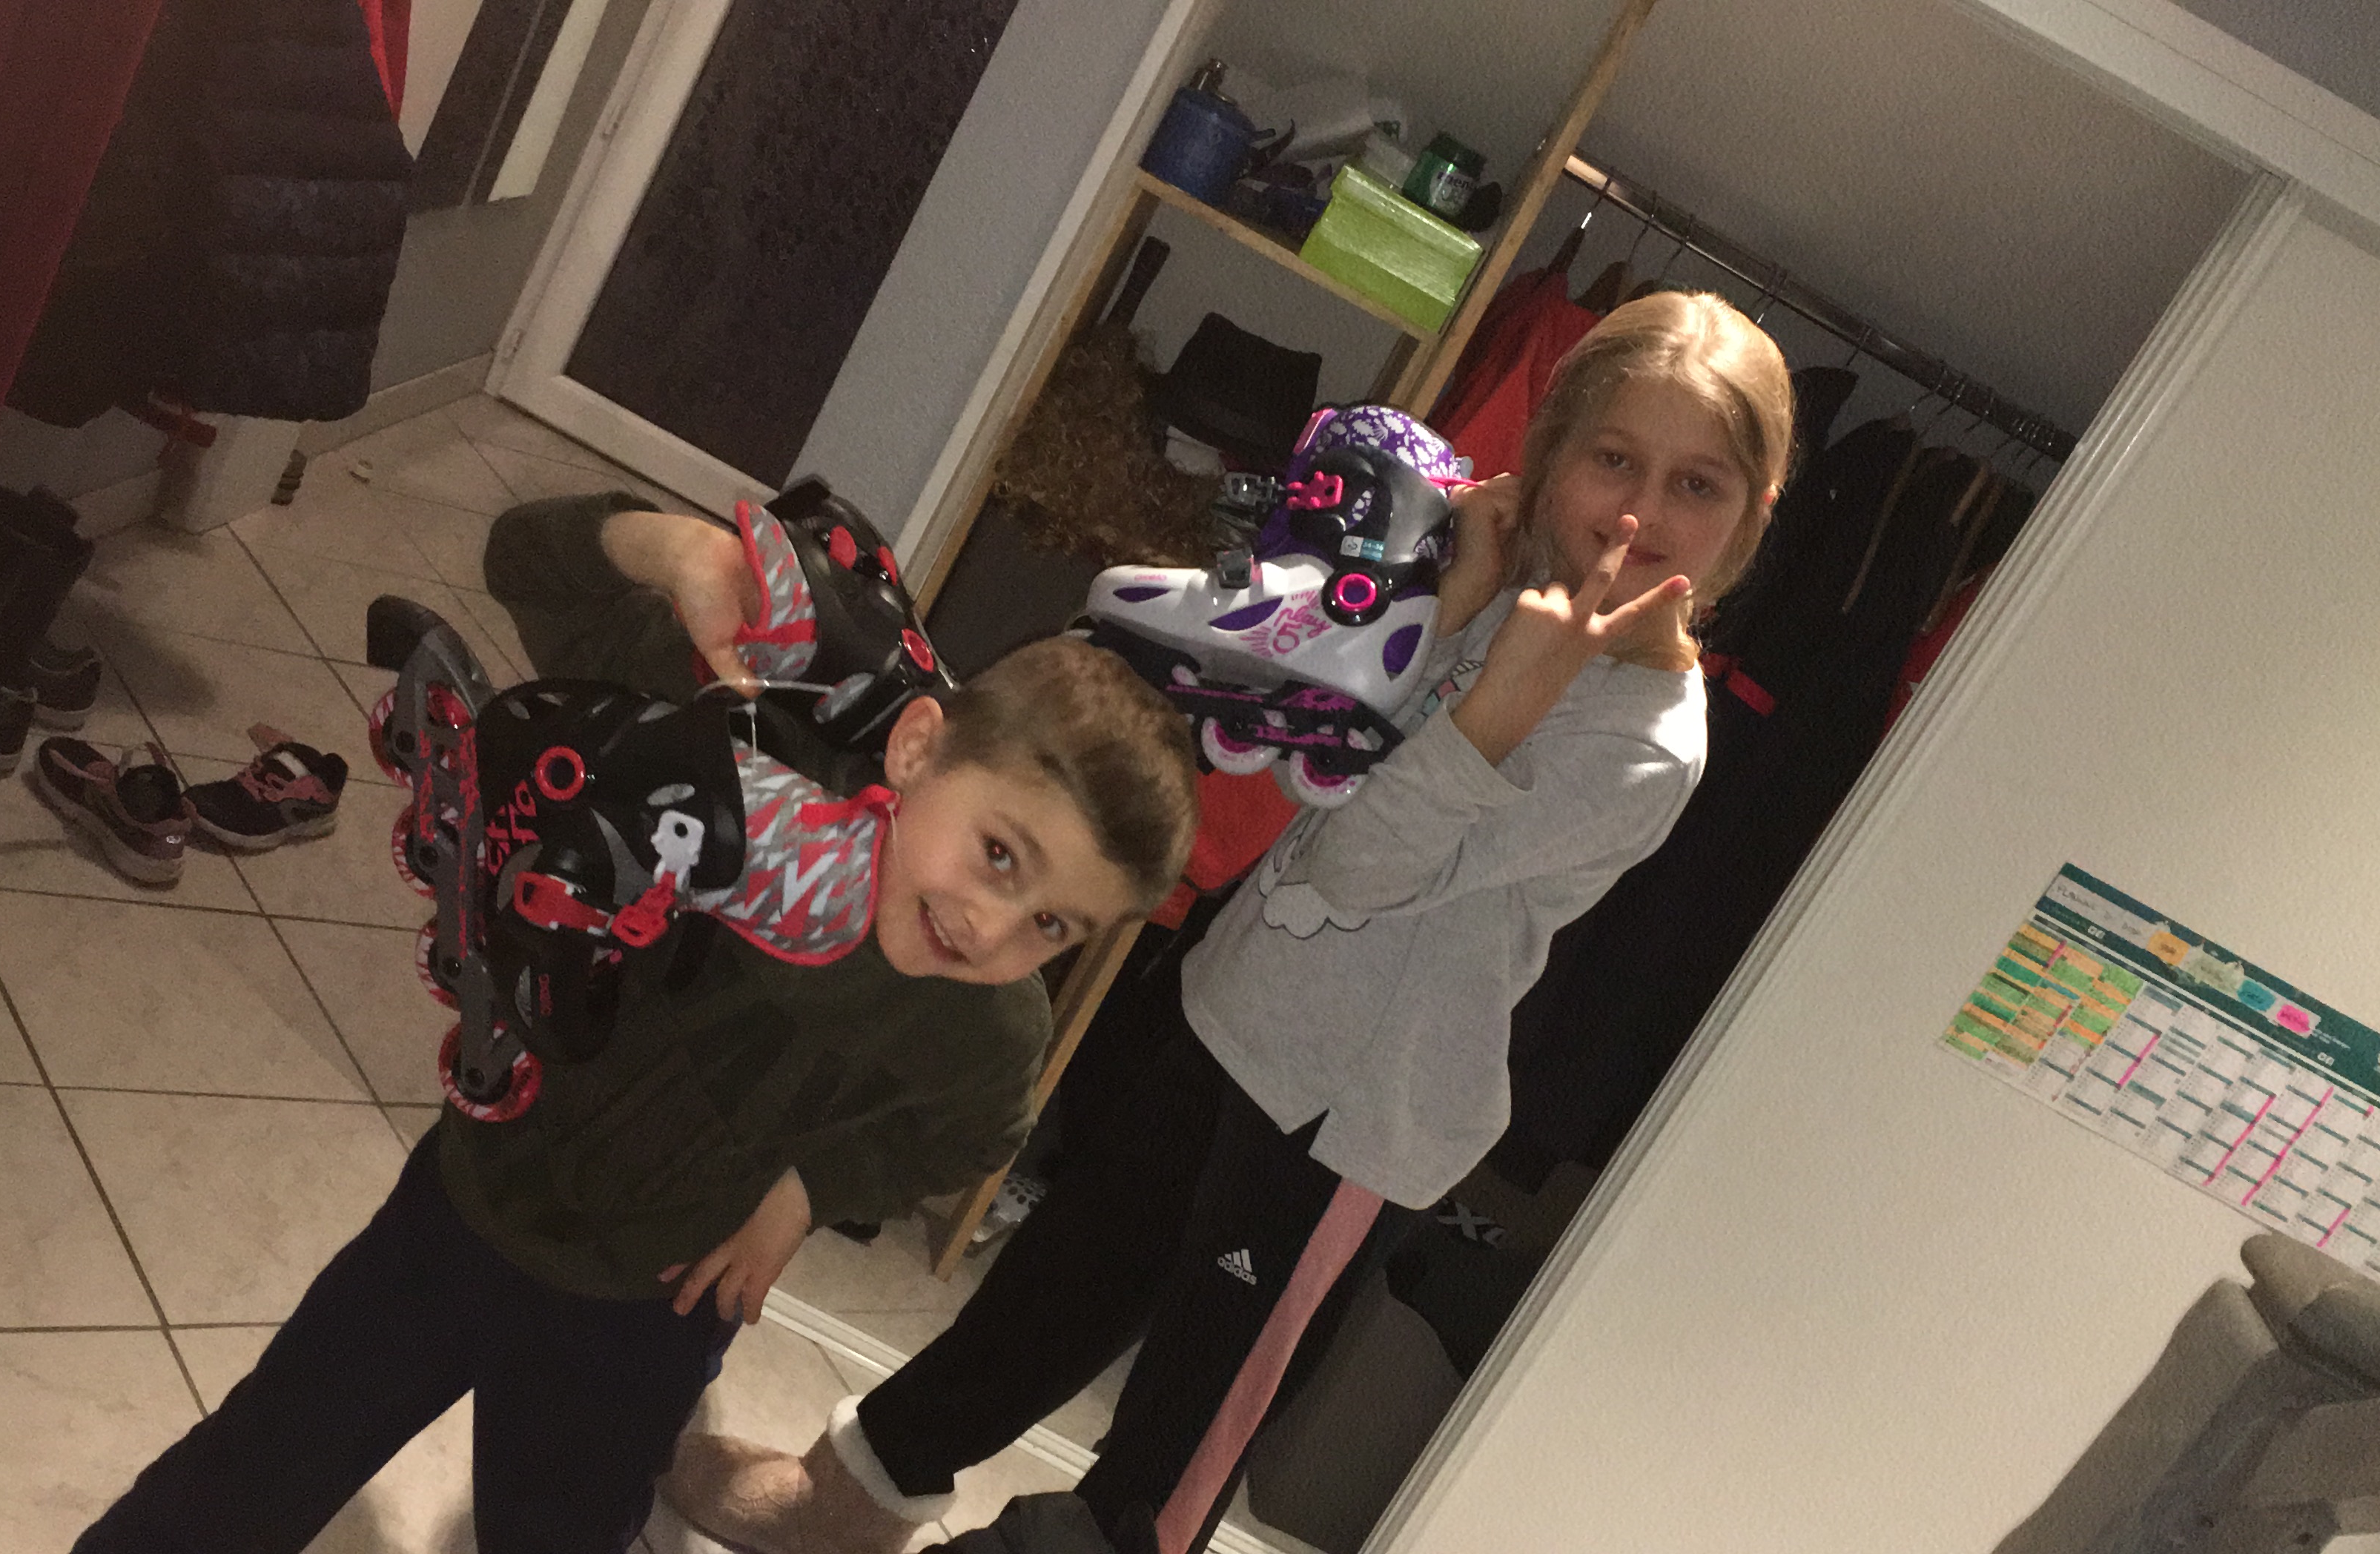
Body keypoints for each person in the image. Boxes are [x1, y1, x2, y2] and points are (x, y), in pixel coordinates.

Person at [664, 290, 1799, 1554]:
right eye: (1612, 459)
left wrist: (1501, 702)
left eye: (1696, 485)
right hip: (1235, 1001)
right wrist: (1444, 601)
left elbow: (1363, 868)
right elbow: (1311, 748)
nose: (1638, 514)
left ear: (1751, 515)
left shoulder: (1649, 746)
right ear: (1550, 454)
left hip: (1351, 1123)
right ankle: (847, 1500)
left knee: (1171, 1454)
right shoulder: (1487, 585)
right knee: (1056, 1286)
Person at [67, 495, 1200, 1554]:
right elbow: (526, 562)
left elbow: (974, 1133)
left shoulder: (989, 1023)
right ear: (915, 751)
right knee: (259, 1460)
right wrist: (676, 550)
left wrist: (808, 1191)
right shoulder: (736, 755)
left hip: (646, 1315)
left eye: (1054, 924)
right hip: (462, 1209)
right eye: (999, 854)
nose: (994, 925)